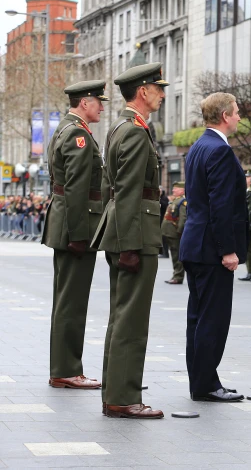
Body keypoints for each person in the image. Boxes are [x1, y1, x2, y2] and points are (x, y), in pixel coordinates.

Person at [92, 62, 168, 419]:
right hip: (135, 233)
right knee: (131, 320)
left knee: (121, 315)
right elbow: (127, 192)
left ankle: (116, 391)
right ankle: (123, 398)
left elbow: (112, 188)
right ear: (143, 91)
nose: (162, 94)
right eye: (158, 88)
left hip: (125, 231)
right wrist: (130, 246)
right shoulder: (135, 132)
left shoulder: (120, 127)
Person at [179, 92, 249, 403]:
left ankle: (204, 379)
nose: (238, 117)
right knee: (213, 319)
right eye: (236, 113)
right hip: (211, 250)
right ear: (224, 115)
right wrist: (228, 250)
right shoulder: (219, 150)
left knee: (198, 317)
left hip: (195, 244)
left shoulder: (198, 147)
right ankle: (206, 385)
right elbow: (220, 207)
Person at [42, 80, 108, 391]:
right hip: (75, 227)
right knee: (72, 301)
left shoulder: (64, 128)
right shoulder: (78, 134)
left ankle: (64, 368)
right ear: (85, 102)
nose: (102, 108)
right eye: (98, 102)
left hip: (66, 224)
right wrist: (81, 235)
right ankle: (67, 370)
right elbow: (78, 188)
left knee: (66, 299)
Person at [162, 182, 187, 284]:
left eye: (175, 189)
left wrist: (179, 232)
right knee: (174, 254)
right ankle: (176, 274)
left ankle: (178, 276)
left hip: (175, 233)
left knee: (177, 255)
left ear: (182, 190)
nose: (173, 190)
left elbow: (183, 218)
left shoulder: (183, 201)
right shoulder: (176, 200)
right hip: (170, 232)